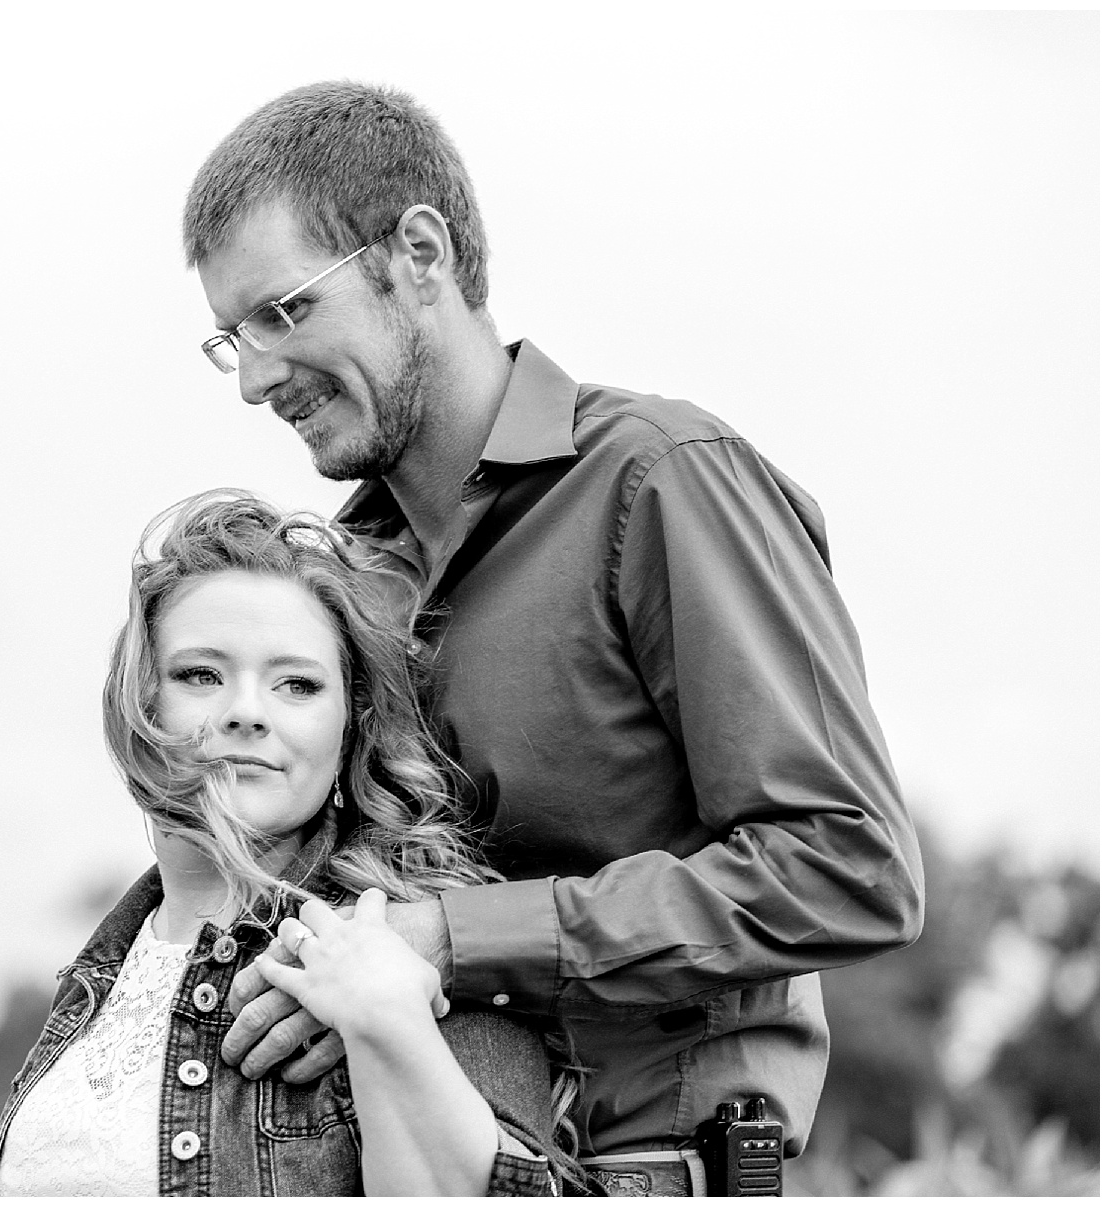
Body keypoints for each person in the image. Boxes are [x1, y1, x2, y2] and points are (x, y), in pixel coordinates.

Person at [182, 81, 925, 1196]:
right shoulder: (343, 580)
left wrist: (451, 942)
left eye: (283, 314)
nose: (253, 379)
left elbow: (848, 865)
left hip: (652, 1166)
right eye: (228, 337)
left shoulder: (663, 480)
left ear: (419, 253)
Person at [0, 491, 577, 1196]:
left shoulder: (416, 941)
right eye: (201, 674)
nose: (246, 712)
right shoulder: (103, 970)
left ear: (348, 730)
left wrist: (388, 1019)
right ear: (139, 702)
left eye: (296, 683)